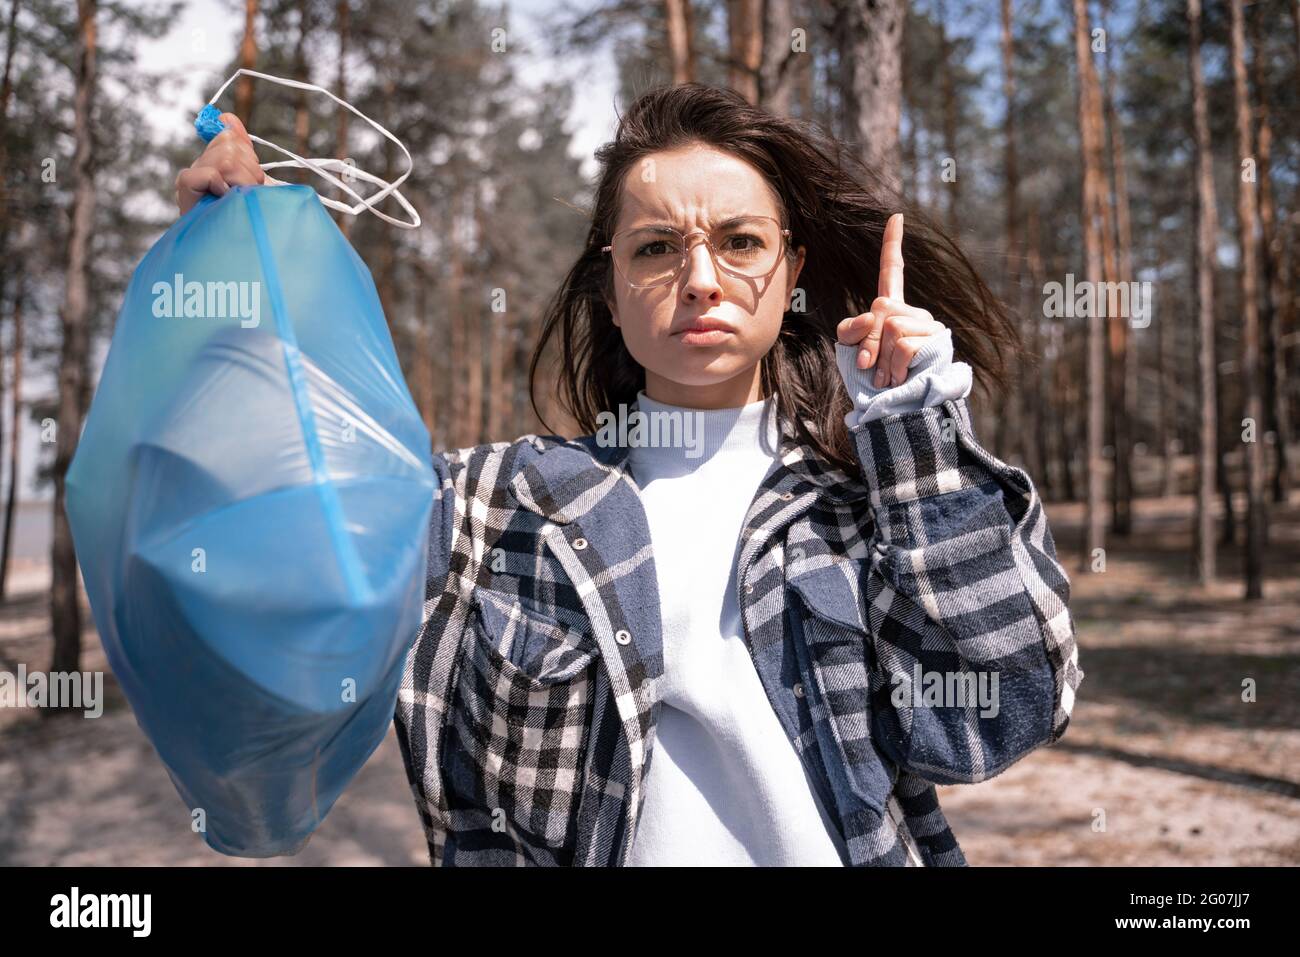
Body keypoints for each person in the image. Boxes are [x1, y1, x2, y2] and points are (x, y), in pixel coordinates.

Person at [174, 83, 1083, 867]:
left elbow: (998, 717)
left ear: (793, 268)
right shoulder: (490, 509)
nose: (699, 279)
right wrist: (235, 277)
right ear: (610, 291)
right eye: (655, 248)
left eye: (740, 242)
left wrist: (913, 430)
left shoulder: (863, 503)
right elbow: (262, 541)